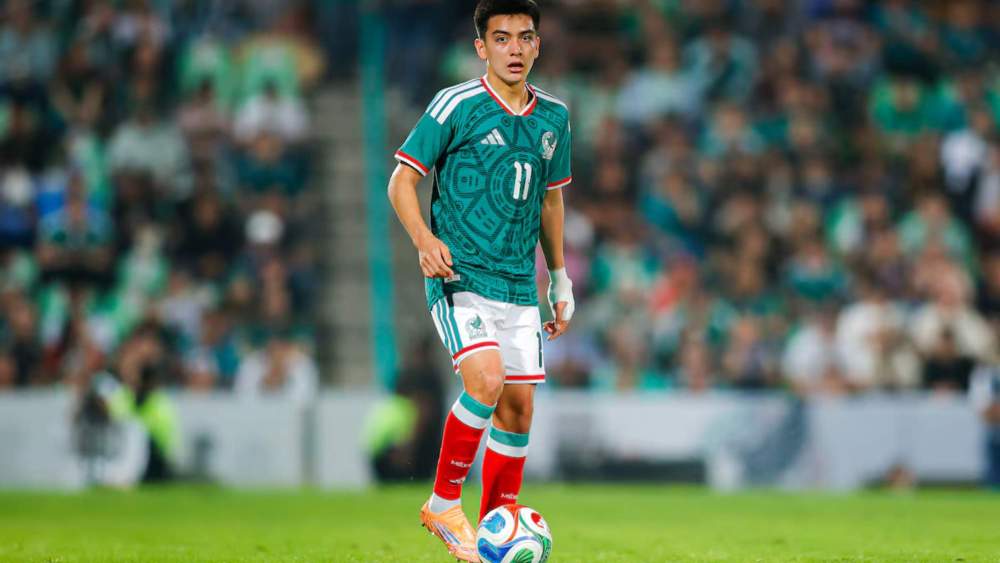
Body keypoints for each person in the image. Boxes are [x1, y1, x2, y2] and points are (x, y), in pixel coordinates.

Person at [386, 1, 574, 559]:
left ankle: (495, 528)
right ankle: (444, 503)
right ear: (481, 47)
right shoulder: (457, 104)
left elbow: (551, 200)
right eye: (501, 38)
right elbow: (401, 182)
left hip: (518, 285)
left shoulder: (555, 117)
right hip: (460, 274)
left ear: (537, 45)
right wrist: (424, 241)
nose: (514, 49)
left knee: (518, 410)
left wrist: (559, 279)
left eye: (524, 38)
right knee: (486, 381)